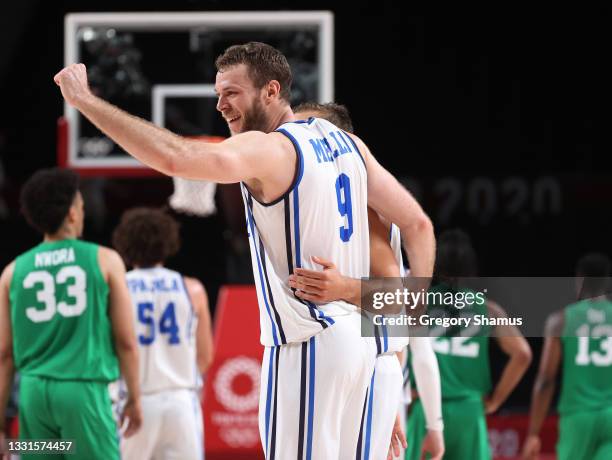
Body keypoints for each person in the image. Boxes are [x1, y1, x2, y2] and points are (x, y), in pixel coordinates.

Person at [54, 42, 435, 458]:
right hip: (362, 345)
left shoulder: (269, 148)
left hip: (308, 340)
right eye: (218, 93)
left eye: (231, 93)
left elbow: (177, 157)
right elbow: (418, 225)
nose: (220, 105)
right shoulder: (348, 145)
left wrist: (85, 101)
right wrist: (407, 321)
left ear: (271, 91)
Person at [292, 102, 444, 460]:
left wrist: (345, 288)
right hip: (368, 365)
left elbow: (395, 297)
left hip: (370, 363)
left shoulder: (361, 204)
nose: (292, 141)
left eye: (303, 131)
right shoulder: (332, 200)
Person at [0, 168, 141, 460]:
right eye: (81, 205)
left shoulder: (11, 272)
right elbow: (126, 340)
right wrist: (135, 399)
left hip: (34, 396)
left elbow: (4, 354)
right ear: (73, 214)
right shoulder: (105, 260)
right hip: (83, 392)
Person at [405, 230, 531, 460]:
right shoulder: (488, 309)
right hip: (469, 412)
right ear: (472, 269)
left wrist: (404, 393)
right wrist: (495, 401)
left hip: (426, 409)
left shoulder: (417, 304)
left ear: (435, 264)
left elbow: (394, 351)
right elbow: (522, 354)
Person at [112, 207, 214, 460]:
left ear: (124, 244)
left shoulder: (116, 289)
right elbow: (204, 358)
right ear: (168, 242)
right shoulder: (193, 289)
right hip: (180, 403)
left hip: (134, 401)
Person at [522, 253, 612, 460]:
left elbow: (546, 380)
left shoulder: (560, 321)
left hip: (577, 416)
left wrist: (533, 433)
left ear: (579, 279)